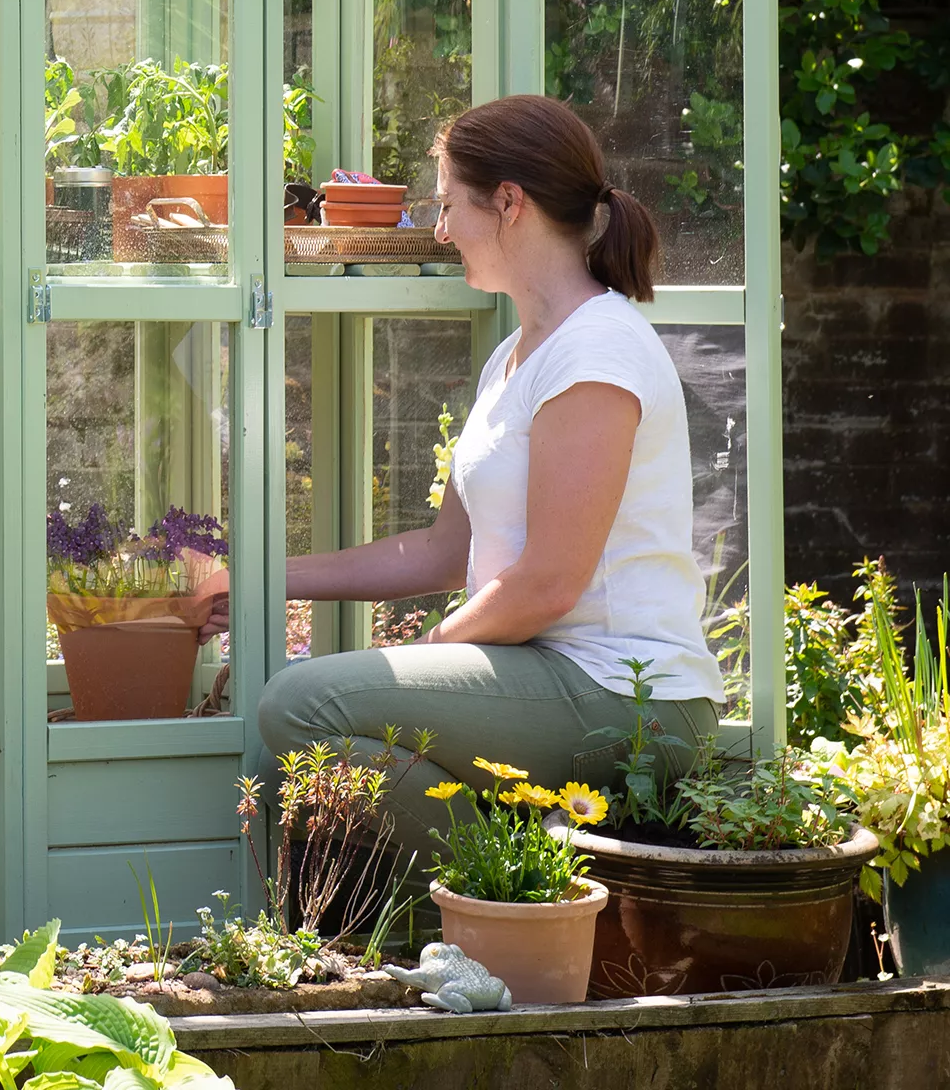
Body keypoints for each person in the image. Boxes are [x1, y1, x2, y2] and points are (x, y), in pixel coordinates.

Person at [257, 94, 725, 882]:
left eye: (448, 204)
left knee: (297, 706)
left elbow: (548, 583)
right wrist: (264, 581)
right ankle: (458, 938)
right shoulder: (515, 355)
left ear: (509, 203)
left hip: (624, 691)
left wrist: (431, 652)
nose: (439, 230)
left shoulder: (598, 353)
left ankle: (521, 895)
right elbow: (445, 552)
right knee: (305, 756)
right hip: (544, 674)